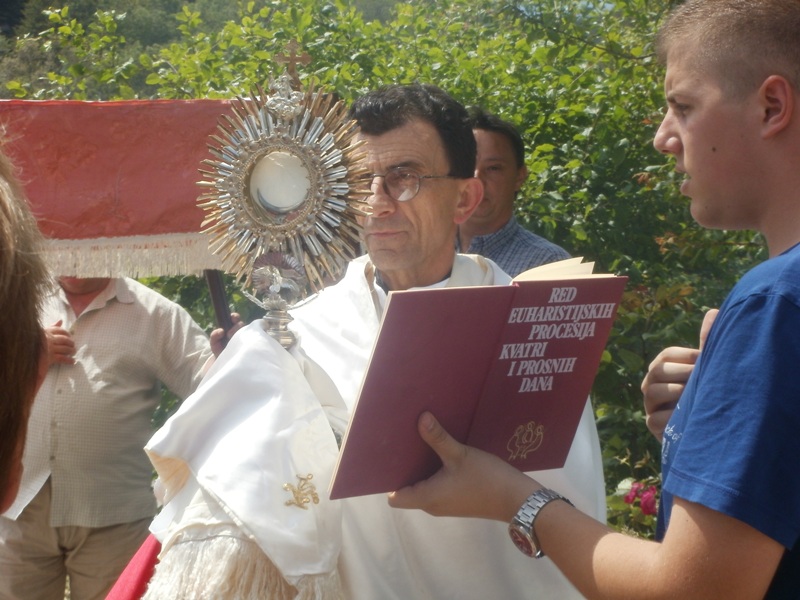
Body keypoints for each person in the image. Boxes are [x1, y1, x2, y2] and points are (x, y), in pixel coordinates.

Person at [388, 1, 800, 597]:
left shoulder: (773, 304)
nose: (663, 138)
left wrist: (514, 497)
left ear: (771, 106)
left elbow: (693, 592)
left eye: (682, 107)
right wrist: (702, 434)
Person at [138, 83, 606, 599]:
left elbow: (570, 494)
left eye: (404, 179)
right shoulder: (295, 338)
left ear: (465, 197)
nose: (377, 204)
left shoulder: (530, 328)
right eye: (361, 181)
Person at [0, 275, 240, 600]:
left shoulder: (154, 312)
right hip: (21, 507)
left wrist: (228, 355)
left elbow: (204, 384)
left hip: (113, 513)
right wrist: (26, 351)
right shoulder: (20, 300)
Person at [457, 106, 570, 276]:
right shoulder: (418, 255)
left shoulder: (549, 265)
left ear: (519, 176)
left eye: (493, 168)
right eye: (467, 166)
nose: (477, 180)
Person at [0, 147, 50, 514]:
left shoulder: (157, 314)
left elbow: (197, 370)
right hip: (24, 525)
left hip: (106, 516)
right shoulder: (28, 296)